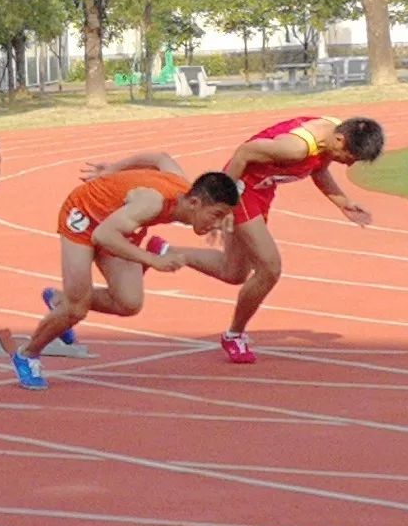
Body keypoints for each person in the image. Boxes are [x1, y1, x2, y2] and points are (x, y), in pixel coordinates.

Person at [147, 115, 383, 363]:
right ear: (339, 139)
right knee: (270, 267)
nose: (347, 166)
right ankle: (234, 335)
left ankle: (167, 251)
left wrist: (343, 203)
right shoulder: (294, 148)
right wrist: (221, 203)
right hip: (241, 189)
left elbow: (319, 169)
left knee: (234, 272)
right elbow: (243, 153)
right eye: (349, 158)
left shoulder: (332, 137)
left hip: (262, 190)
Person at [12, 152, 239, 391]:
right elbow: (102, 235)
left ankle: (59, 300)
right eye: (216, 216)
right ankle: (27, 354)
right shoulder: (152, 202)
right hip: (84, 217)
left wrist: (114, 169)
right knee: (77, 307)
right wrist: (151, 259)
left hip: (119, 225)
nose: (217, 224)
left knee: (129, 302)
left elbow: (161, 157)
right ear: (194, 203)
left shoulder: (181, 184)